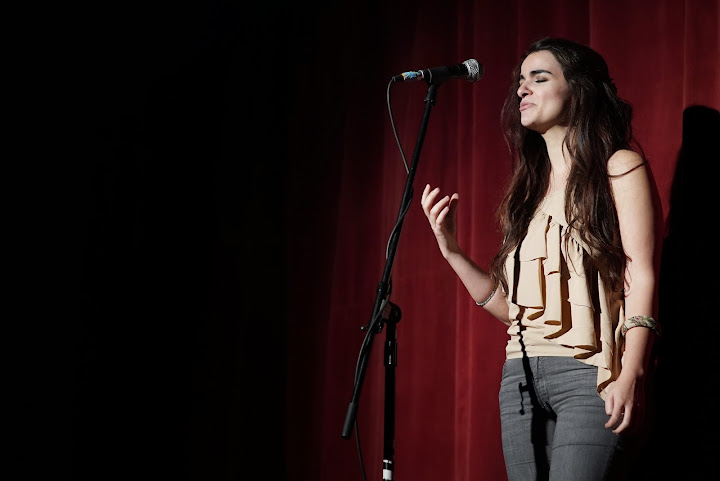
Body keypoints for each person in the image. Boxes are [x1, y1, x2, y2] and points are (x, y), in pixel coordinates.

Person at [420, 37, 660, 481]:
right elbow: (512, 311)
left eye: (539, 77)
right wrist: (451, 250)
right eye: (520, 81)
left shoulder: (619, 168)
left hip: (590, 378)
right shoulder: (527, 193)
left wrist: (632, 371)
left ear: (578, 89)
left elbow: (641, 275)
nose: (521, 89)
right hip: (519, 379)